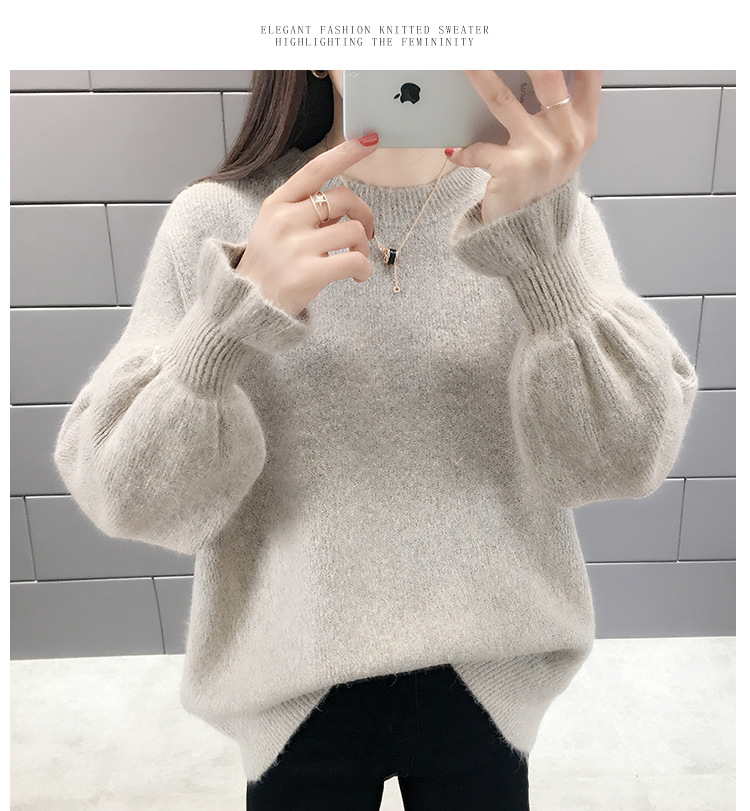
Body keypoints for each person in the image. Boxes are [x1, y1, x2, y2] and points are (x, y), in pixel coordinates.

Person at [53, 70, 697, 810]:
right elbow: (123, 492)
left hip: (490, 682)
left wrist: (543, 261)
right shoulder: (220, 219)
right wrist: (225, 323)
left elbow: (627, 456)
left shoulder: (540, 209)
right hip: (291, 685)